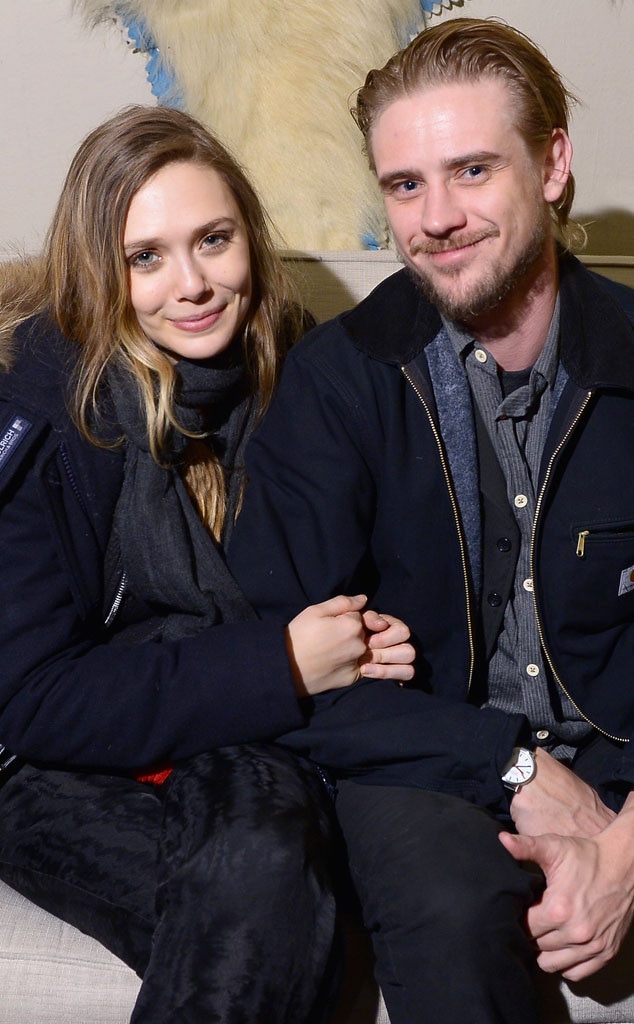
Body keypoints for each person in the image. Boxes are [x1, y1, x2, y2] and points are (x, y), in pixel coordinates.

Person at [227, 17, 634, 1024]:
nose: (437, 216)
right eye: (405, 185)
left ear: (551, 164)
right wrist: (515, 764)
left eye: (470, 171)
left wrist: (625, 849)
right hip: (429, 758)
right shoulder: (332, 386)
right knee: (451, 919)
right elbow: (280, 673)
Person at [0, 104, 415, 1024]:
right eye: (146, 257)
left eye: (212, 240)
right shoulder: (39, 402)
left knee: (266, 870)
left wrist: (370, 631)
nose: (189, 284)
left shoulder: (306, 377)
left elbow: (372, 573)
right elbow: (29, 698)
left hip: (241, 741)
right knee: (268, 911)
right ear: (98, 269)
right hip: (42, 761)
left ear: (249, 243)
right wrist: (280, 664)